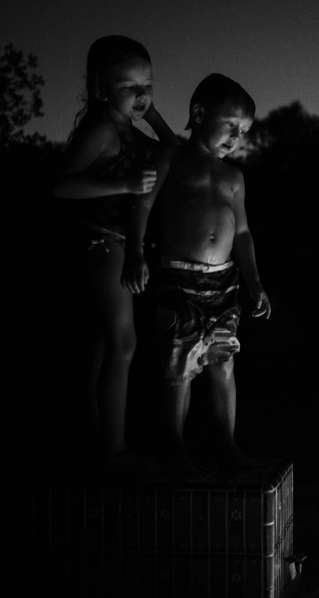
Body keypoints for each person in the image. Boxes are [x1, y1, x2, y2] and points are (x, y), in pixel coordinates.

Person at [122, 73, 271, 474]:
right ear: (200, 114)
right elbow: (142, 205)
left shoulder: (234, 177)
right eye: (231, 125)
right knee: (179, 366)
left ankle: (227, 444)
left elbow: (242, 231)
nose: (237, 137)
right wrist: (135, 252)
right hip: (179, 280)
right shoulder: (172, 159)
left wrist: (254, 281)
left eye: (244, 131)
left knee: (224, 363)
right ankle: (174, 448)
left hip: (225, 283)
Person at [54, 36, 178, 475]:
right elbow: (63, 184)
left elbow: (171, 152)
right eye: (130, 86)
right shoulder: (102, 129)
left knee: (101, 345)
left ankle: (91, 443)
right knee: (123, 343)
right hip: (99, 242)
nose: (142, 94)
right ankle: (114, 453)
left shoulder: (126, 128)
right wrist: (125, 186)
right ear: (102, 89)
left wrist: (154, 116)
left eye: (149, 84)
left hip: (115, 240)